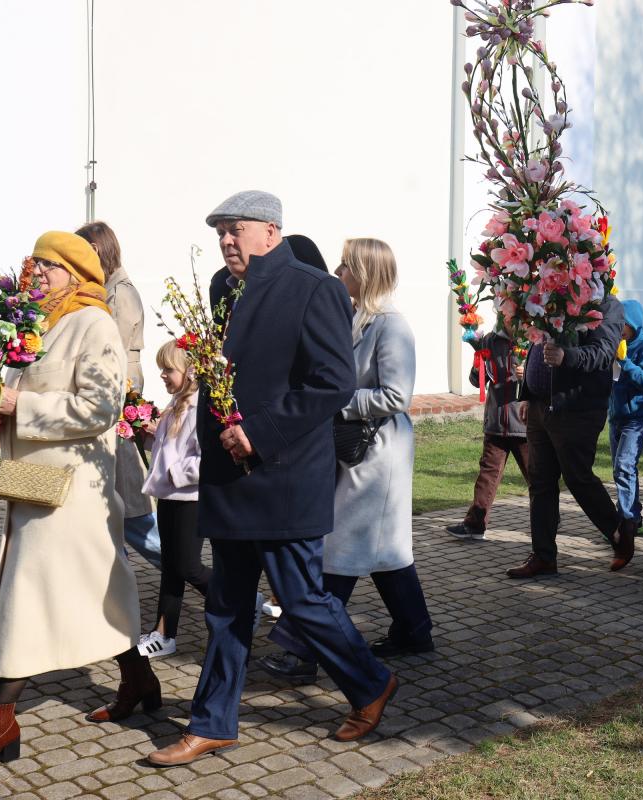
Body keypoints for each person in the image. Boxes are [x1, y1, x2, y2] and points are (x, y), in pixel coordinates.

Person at [147, 192, 394, 767]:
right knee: (226, 606)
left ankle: (371, 682)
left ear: (271, 232)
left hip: (283, 475)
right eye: (220, 232)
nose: (226, 241)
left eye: (236, 229)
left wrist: (259, 434)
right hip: (229, 478)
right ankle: (211, 723)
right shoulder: (221, 288)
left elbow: (332, 382)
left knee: (303, 599)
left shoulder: (316, 289)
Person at [0, 233, 158, 776]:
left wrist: (20, 404)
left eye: (48, 264)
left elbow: (100, 408)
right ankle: (139, 678)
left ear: (76, 270)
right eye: (35, 263)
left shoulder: (95, 323)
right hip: (32, 482)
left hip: (72, 493)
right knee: (95, 590)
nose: (37, 272)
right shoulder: (36, 324)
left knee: (26, 595)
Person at [258, 236, 434, 687]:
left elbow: (397, 396)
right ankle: (414, 630)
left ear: (365, 273)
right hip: (359, 449)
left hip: (378, 453)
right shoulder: (359, 318)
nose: (338, 272)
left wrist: (337, 400)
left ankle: (303, 649)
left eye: (346, 266)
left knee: (340, 550)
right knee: (384, 549)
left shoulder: (391, 326)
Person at [506, 294, 631, 578]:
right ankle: (543, 556)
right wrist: (528, 395)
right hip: (540, 406)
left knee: (577, 477)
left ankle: (619, 530)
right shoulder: (553, 295)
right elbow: (538, 346)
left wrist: (566, 356)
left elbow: (603, 353)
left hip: (577, 408)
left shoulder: (607, 306)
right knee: (540, 481)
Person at [76, 221, 160, 570]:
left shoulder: (120, 293)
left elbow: (113, 352)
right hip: (113, 396)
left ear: (95, 250)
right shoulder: (107, 289)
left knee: (132, 513)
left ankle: (203, 579)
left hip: (118, 397)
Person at [136, 340, 208, 659]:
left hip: (190, 498)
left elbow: (207, 458)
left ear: (189, 370)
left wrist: (175, 473)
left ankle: (242, 603)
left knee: (188, 566)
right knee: (171, 567)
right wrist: (148, 434)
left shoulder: (199, 406)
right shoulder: (178, 403)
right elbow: (171, 451)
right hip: (169, 495)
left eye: (168, 369)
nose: (162, 375)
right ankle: (164, 634)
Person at [446, 327, 529, 540]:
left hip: (525, 425)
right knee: (487, 475)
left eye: (508, 311)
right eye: (502, 311)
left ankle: (549, 517)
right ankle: (475, 525)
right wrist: (478, 367)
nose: (505, 315)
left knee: (537, 476)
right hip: (496, 422)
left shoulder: (534, 337)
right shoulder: (490, 340)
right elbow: (477, 381)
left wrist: (527, 374)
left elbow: (547, 376)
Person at [609, 299, 643, 537]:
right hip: (616, 417)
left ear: (634, 323)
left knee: (624, 467)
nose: (620, 328)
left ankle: (627, 520)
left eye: (624, 323)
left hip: (637, 419)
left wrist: (625, 362)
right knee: (622, 469)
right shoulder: (616, 345)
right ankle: (633, 516)